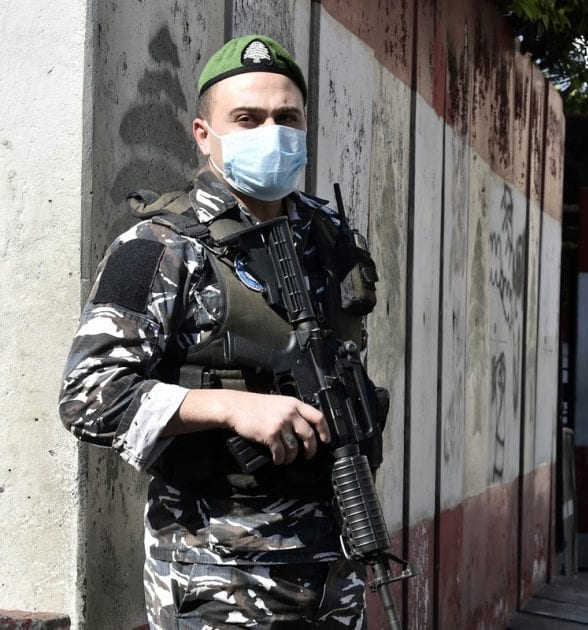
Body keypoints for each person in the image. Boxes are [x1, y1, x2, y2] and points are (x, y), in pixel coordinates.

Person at [59, 35, 380, 627]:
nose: (272, 132)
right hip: (218, 572)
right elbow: (88, 397)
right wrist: (234, 408)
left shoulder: (330, 237)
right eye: (247, 118)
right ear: (204, 135)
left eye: (287, 118)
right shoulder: (158, 247)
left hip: (334, 565)